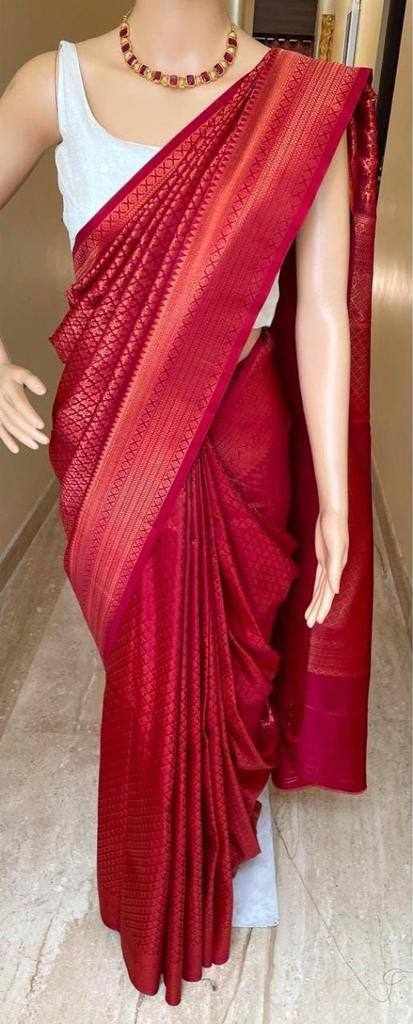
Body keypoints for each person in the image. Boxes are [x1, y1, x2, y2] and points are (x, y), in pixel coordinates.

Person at [0, 0, 378, 1006]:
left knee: (233, 667)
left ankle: (220, 853)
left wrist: (336, 499)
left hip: (244, 431)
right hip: (115, 437)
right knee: (149, 675)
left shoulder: (297, 103)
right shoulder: (52, 85)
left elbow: (319, 312)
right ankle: (159, 883)